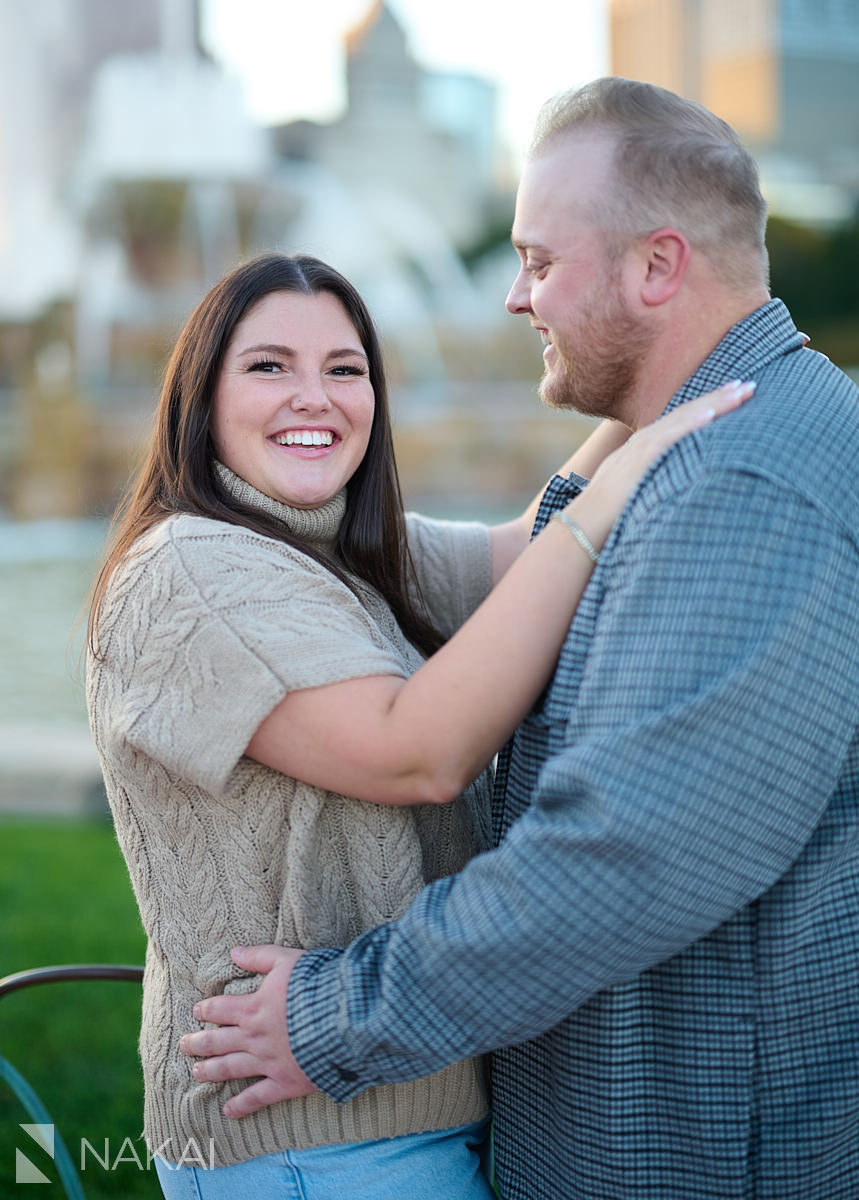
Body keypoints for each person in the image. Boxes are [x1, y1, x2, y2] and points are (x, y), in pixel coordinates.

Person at [181, 78, 859, 1200]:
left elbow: (615, 864)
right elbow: (509, 564)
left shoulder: (746, 487)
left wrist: (334, 1017)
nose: (512, 296)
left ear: (657, 267)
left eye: (539, 261)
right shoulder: (723, 443)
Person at [86, 250, 742, 1200]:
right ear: (200, 397)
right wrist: (620, 487)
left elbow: (522, 557)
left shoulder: (333, 550)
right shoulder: (191, 568)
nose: (313, 397)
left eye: (344, 370)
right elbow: (416, 752)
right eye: (269, 366)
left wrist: (657, 376)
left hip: (389, 1110)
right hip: (308, 1143)